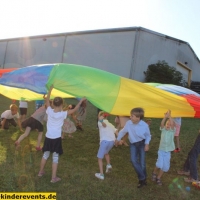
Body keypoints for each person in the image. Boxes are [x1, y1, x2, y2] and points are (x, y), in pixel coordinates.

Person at [38, 85, 86, 183]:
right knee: (55, 157)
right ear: (61, 105)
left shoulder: (49, 111)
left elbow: (47, 101)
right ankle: (53, 177)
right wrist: (80, 101)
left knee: (45, 155)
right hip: (56, 138)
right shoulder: (62, 114)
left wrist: (50, 91)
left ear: (53, 104)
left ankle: (40, 172)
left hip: (48, 137)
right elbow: (74, 110)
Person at [115, 107, 151, 188]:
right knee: (133, 160)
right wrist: (117, 139)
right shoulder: (129, 123)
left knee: (142, 163)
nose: (130, 117)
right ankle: (142, 178)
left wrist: (147, 144)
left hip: (142, 144)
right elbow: (123, 131)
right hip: (133, 144)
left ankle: (142, 180)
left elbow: (148, 136)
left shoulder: (144, 125)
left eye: (132, 116)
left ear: (138, 118)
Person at [152, 110, 176, 186]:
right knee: (159, 164)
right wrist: (165, 117)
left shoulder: (172, 131)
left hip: (167, 152)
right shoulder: (163, 130)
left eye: (170, 124)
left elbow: (172, 124)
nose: (168, 125)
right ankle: (154, 173)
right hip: (161, 150)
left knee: (165, 166)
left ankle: (158, 177)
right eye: (167, 124)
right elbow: (162, 124)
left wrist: (170, 117)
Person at [95, 111, 117, 180]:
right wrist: (118, 140)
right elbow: (116, 131)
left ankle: (101, 175)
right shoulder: (110, 124)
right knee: (106, 153)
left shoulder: (99, 122)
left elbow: (104, 125)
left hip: (105, 141)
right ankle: (108, 165)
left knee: (99, 158)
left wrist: (101, 120)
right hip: (112, 142)